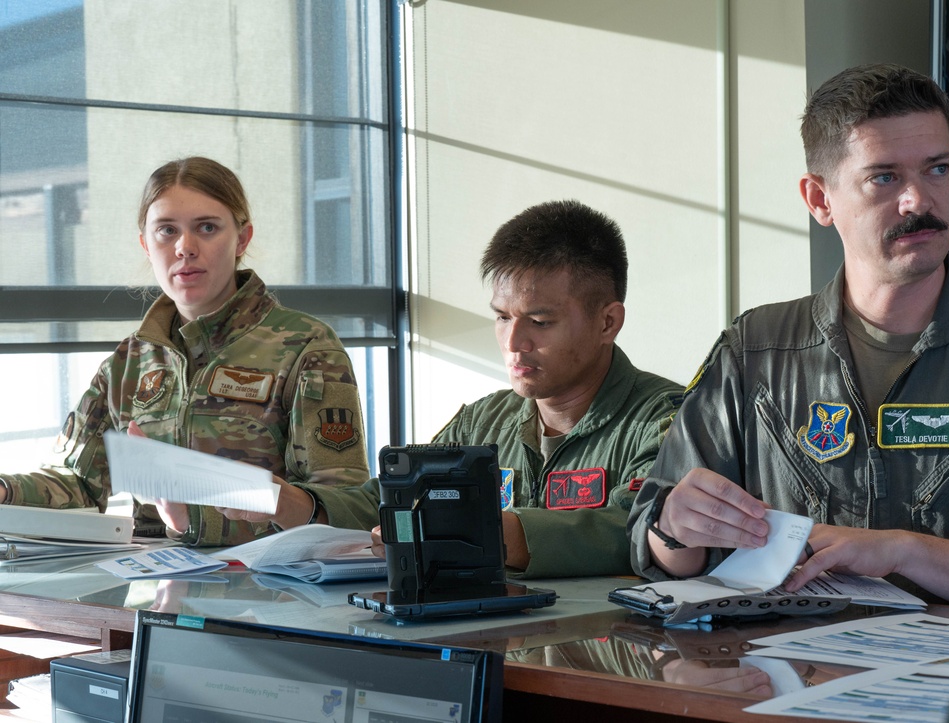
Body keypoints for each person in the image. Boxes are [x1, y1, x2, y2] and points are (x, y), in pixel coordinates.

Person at [628, 63, 949, 607]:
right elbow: (656, 547)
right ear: (819, 200)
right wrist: (674, 527)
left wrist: (902, 551)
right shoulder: (754, 349)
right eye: (885, 177)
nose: (919, 200)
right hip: (786, 674)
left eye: (938, 169)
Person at [224, 200, 685, 577]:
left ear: (608, 322)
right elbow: (389, 500)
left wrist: (487, 530)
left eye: (540, 322)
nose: (513, 342)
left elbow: (638, 526)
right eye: (502, 317)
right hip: (492, 647)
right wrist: (290, 502)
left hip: (613, 664)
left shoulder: (669, 420)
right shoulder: (483, 421)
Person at [0, 157, 369, 546]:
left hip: (273, 592)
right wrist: (5, 490)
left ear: (242, 239)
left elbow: (345, 509)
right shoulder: (129, 362)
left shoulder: (306, 347)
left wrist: (191, 517)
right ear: (146, 243)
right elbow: (78, 483)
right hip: (158, 586)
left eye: (206, 228)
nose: (185, 248)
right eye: (166, 231)